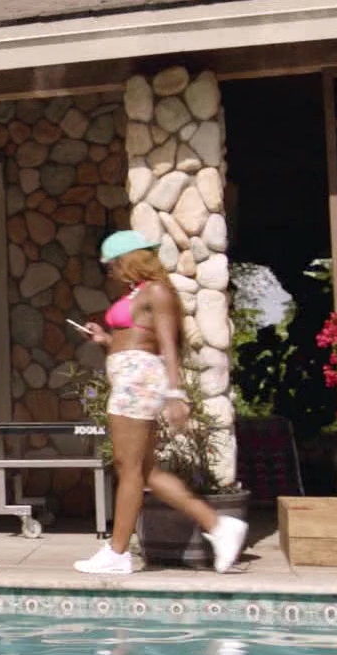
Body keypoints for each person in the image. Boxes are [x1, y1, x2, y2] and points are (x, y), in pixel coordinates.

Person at [75, 231, 247, 575]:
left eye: (112, 265)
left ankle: (118, 552)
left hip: (140, 382)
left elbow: (167, 345)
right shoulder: (139, 292)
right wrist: (104, 339)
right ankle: (218, 526)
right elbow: (134, 339)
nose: (111, 272)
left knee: (128, 468)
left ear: (130, 259)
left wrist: (175, 393)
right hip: (130, 379)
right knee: (144, 471)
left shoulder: (157, 291)